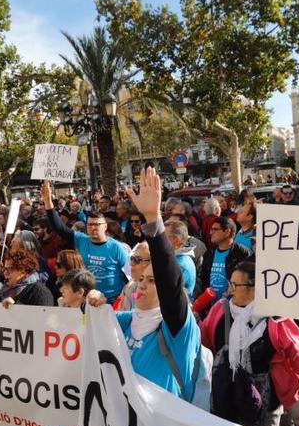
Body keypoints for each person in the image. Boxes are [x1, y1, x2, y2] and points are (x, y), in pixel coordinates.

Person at [93, 167, 202, 400]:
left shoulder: (176, 328)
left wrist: (153, 220)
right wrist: (94, 301)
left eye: (152, 281)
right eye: (141, 278)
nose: (141, 285)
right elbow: (90, 321)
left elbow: (170, 284)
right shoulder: (128, 320)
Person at [199, 261, 299, 426]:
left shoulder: (275, 318)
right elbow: (203, 339)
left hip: (265, 403)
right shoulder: (220, 309)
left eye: (235, 285)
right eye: (230, 283)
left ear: (254, 288)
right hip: (226, 396)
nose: (229, 290)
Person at [43, 181, 129, 303]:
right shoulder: (81, 240)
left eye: (96, 225)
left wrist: (127, 300)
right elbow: (59, 228)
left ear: (105, 226)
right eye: (90, 225)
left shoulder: (117, 247)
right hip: (87, 301)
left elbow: (131, 278)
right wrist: (48, 203)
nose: (93, 228)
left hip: (112, 303)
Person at [198, 216, 253, 300]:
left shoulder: (243, 254)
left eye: (215, 229)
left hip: (233, 308)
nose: (210, 232)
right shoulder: (209, 253)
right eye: (211, 229)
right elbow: (203, 279)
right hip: (211, 308)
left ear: (227, 232)